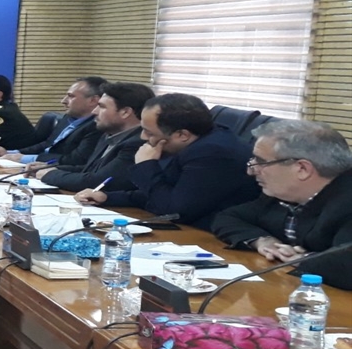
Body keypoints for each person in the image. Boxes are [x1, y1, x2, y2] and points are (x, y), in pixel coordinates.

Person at [75, 93, 259, 230]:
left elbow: (174, 211)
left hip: (215, 238)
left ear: (182, 135)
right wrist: (108, 197)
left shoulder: (212, 153)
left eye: (149, 132)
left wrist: (145, 166)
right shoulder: (197, 140)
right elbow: (165, 191)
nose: (143, 137)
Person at [211, 120, 352, 288]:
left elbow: (346, 266)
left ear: (302, 169)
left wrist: (303, 260)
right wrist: (263, 241)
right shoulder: (282, 194)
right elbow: (229, 217)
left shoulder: (346, 202)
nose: (251, 170)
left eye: (261, 162)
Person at [38, 81, 153, 192]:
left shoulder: (137, 143)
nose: (94, 111)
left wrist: (50, 175)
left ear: (125, 112)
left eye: (102, 107)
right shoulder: (108, 135)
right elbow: (90, 169)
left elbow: (96, 181)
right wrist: (50, 168)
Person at [0, 76, 105, 166]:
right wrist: (10, 153)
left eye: (71, 96)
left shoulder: (97, 127)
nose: (63, 101)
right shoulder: (68, 118)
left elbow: (74, 160)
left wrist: (24, 158)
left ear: (93, 100)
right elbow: (47, 145)